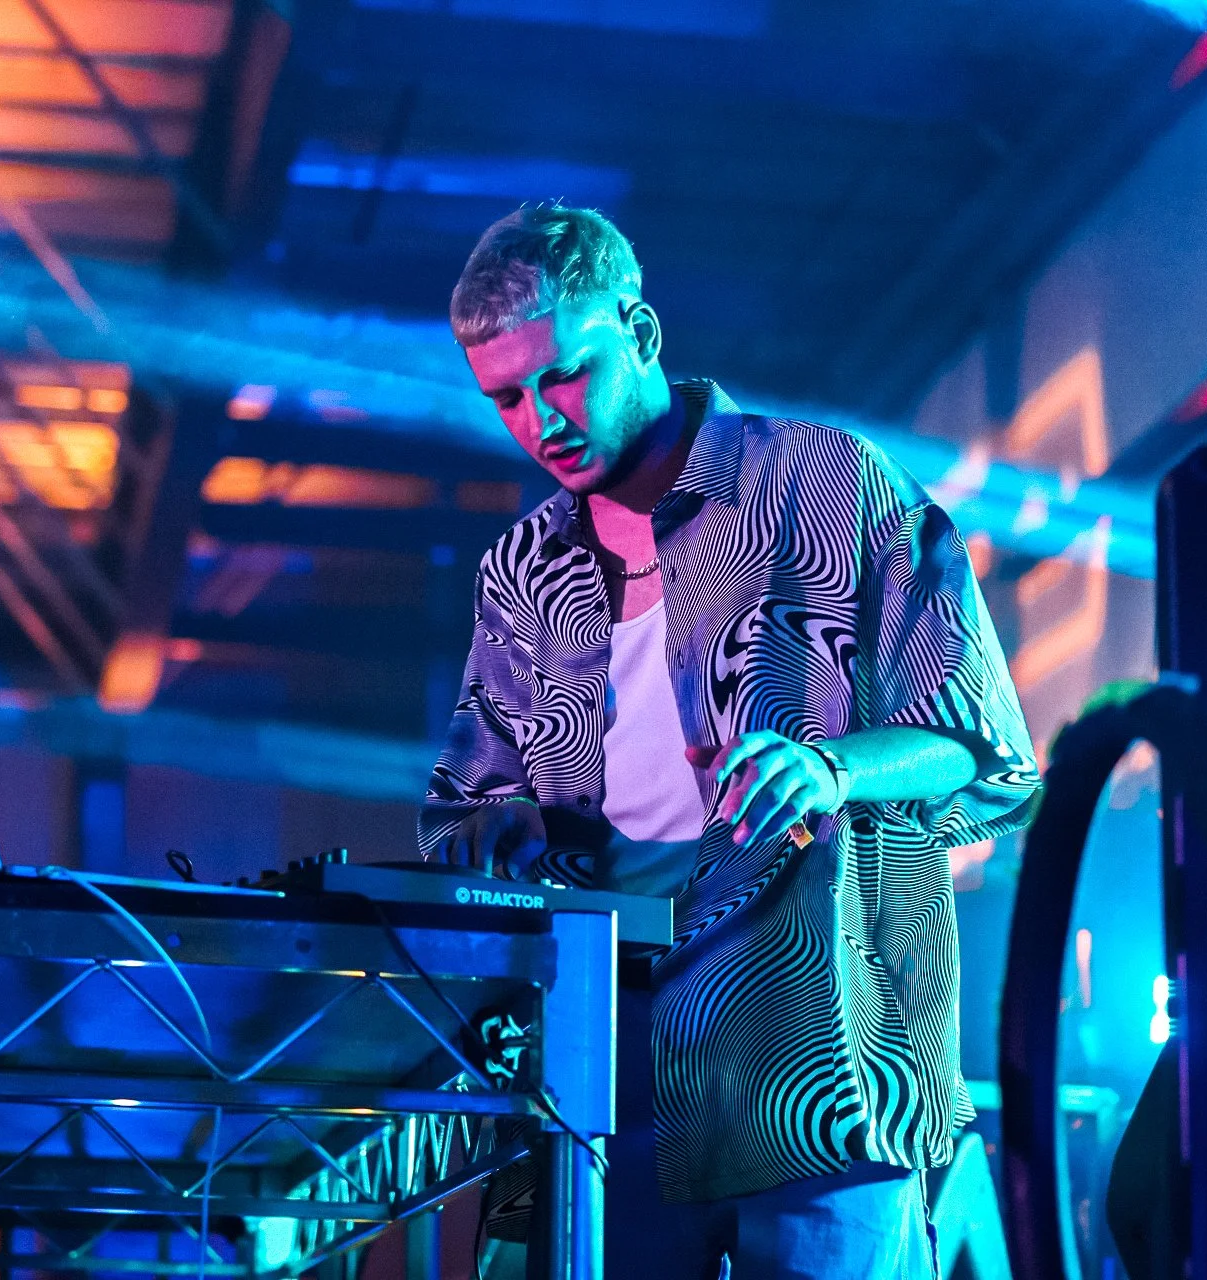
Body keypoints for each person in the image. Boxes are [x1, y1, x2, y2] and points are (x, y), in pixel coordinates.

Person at [419, 203, 1040, 1279]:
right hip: (605, 1066)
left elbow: (981, 743)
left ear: (642, 331)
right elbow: (466, 804)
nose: (538, 420)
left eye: (563, 375)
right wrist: (501, 824)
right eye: (507, 397)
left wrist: (831, 764)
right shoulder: (520, 569)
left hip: (818, 1051)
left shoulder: (829, 481)